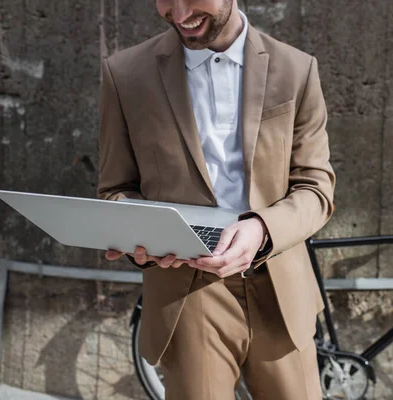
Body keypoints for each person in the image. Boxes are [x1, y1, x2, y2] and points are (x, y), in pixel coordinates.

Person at [96, 0, 335, 399]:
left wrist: (262, 228)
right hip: (187, 292)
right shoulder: (124, 75)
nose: (178, 12)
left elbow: (316, 188)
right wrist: (140, 234)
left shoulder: (296, 68)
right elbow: (115, 188)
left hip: (280, 287)